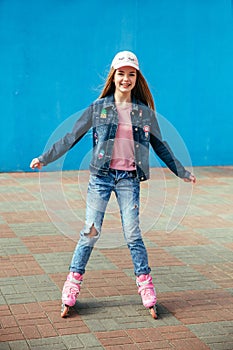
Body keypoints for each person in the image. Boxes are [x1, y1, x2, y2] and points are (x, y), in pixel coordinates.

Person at [30, 51, 196, 319]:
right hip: (101, 179)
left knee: (132, 234)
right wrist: (45, 158)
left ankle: (145, 285)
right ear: (113, 76)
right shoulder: (98, 108)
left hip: (129, 180)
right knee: (90, 233)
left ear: (136, 78)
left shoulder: (144, 112)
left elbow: (160, 145)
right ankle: (72, 284)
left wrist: (181, 171)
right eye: (121, 73)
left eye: (131, 74)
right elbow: (71, 136)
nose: (126, 79)